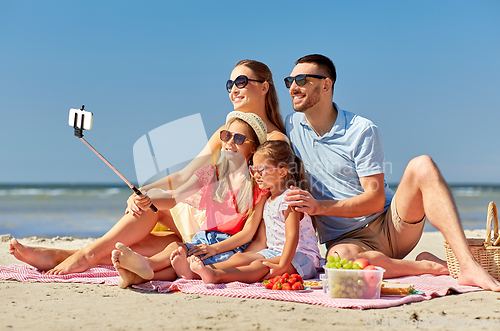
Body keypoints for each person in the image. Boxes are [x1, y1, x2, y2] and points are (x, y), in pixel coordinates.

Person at [9, 60, 288, 275]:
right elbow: (183, 175)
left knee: (153, 228)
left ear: (264, 86)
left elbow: (270, 200)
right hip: (203, 216)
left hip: (227, 229)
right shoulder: (224, 132)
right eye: (229, 84)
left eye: (241, 81)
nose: (234, 89)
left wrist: (252, 253)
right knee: (142, 223)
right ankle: (65, 255)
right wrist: (144, 190)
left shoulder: (274, 141)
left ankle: (81, 256)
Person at [283, 54, 500, 291]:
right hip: (347, 241)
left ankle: (467, 264)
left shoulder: (360, 130)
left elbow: (375, 201)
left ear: (326, 84)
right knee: (341, 264)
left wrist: (319, 207)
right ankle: (425, 265)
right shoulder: (291, 127)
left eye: (302, 79)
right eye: (290, 81)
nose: (293, 87)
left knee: (422, 164)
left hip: (391, 226)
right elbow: (258, 128)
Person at [183, 140, 320, 284]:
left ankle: (216, 275)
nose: (256, 175)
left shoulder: (290, 198)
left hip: (301, 257)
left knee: (259, 266)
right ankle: (204, 270)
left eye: (261, 170)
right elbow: (262, 240)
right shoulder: (268, 201)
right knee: (240, 258)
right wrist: (248, 256)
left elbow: (292, 237)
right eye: (253, 170)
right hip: (274, 252)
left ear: (282, 171)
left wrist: (283, 265)